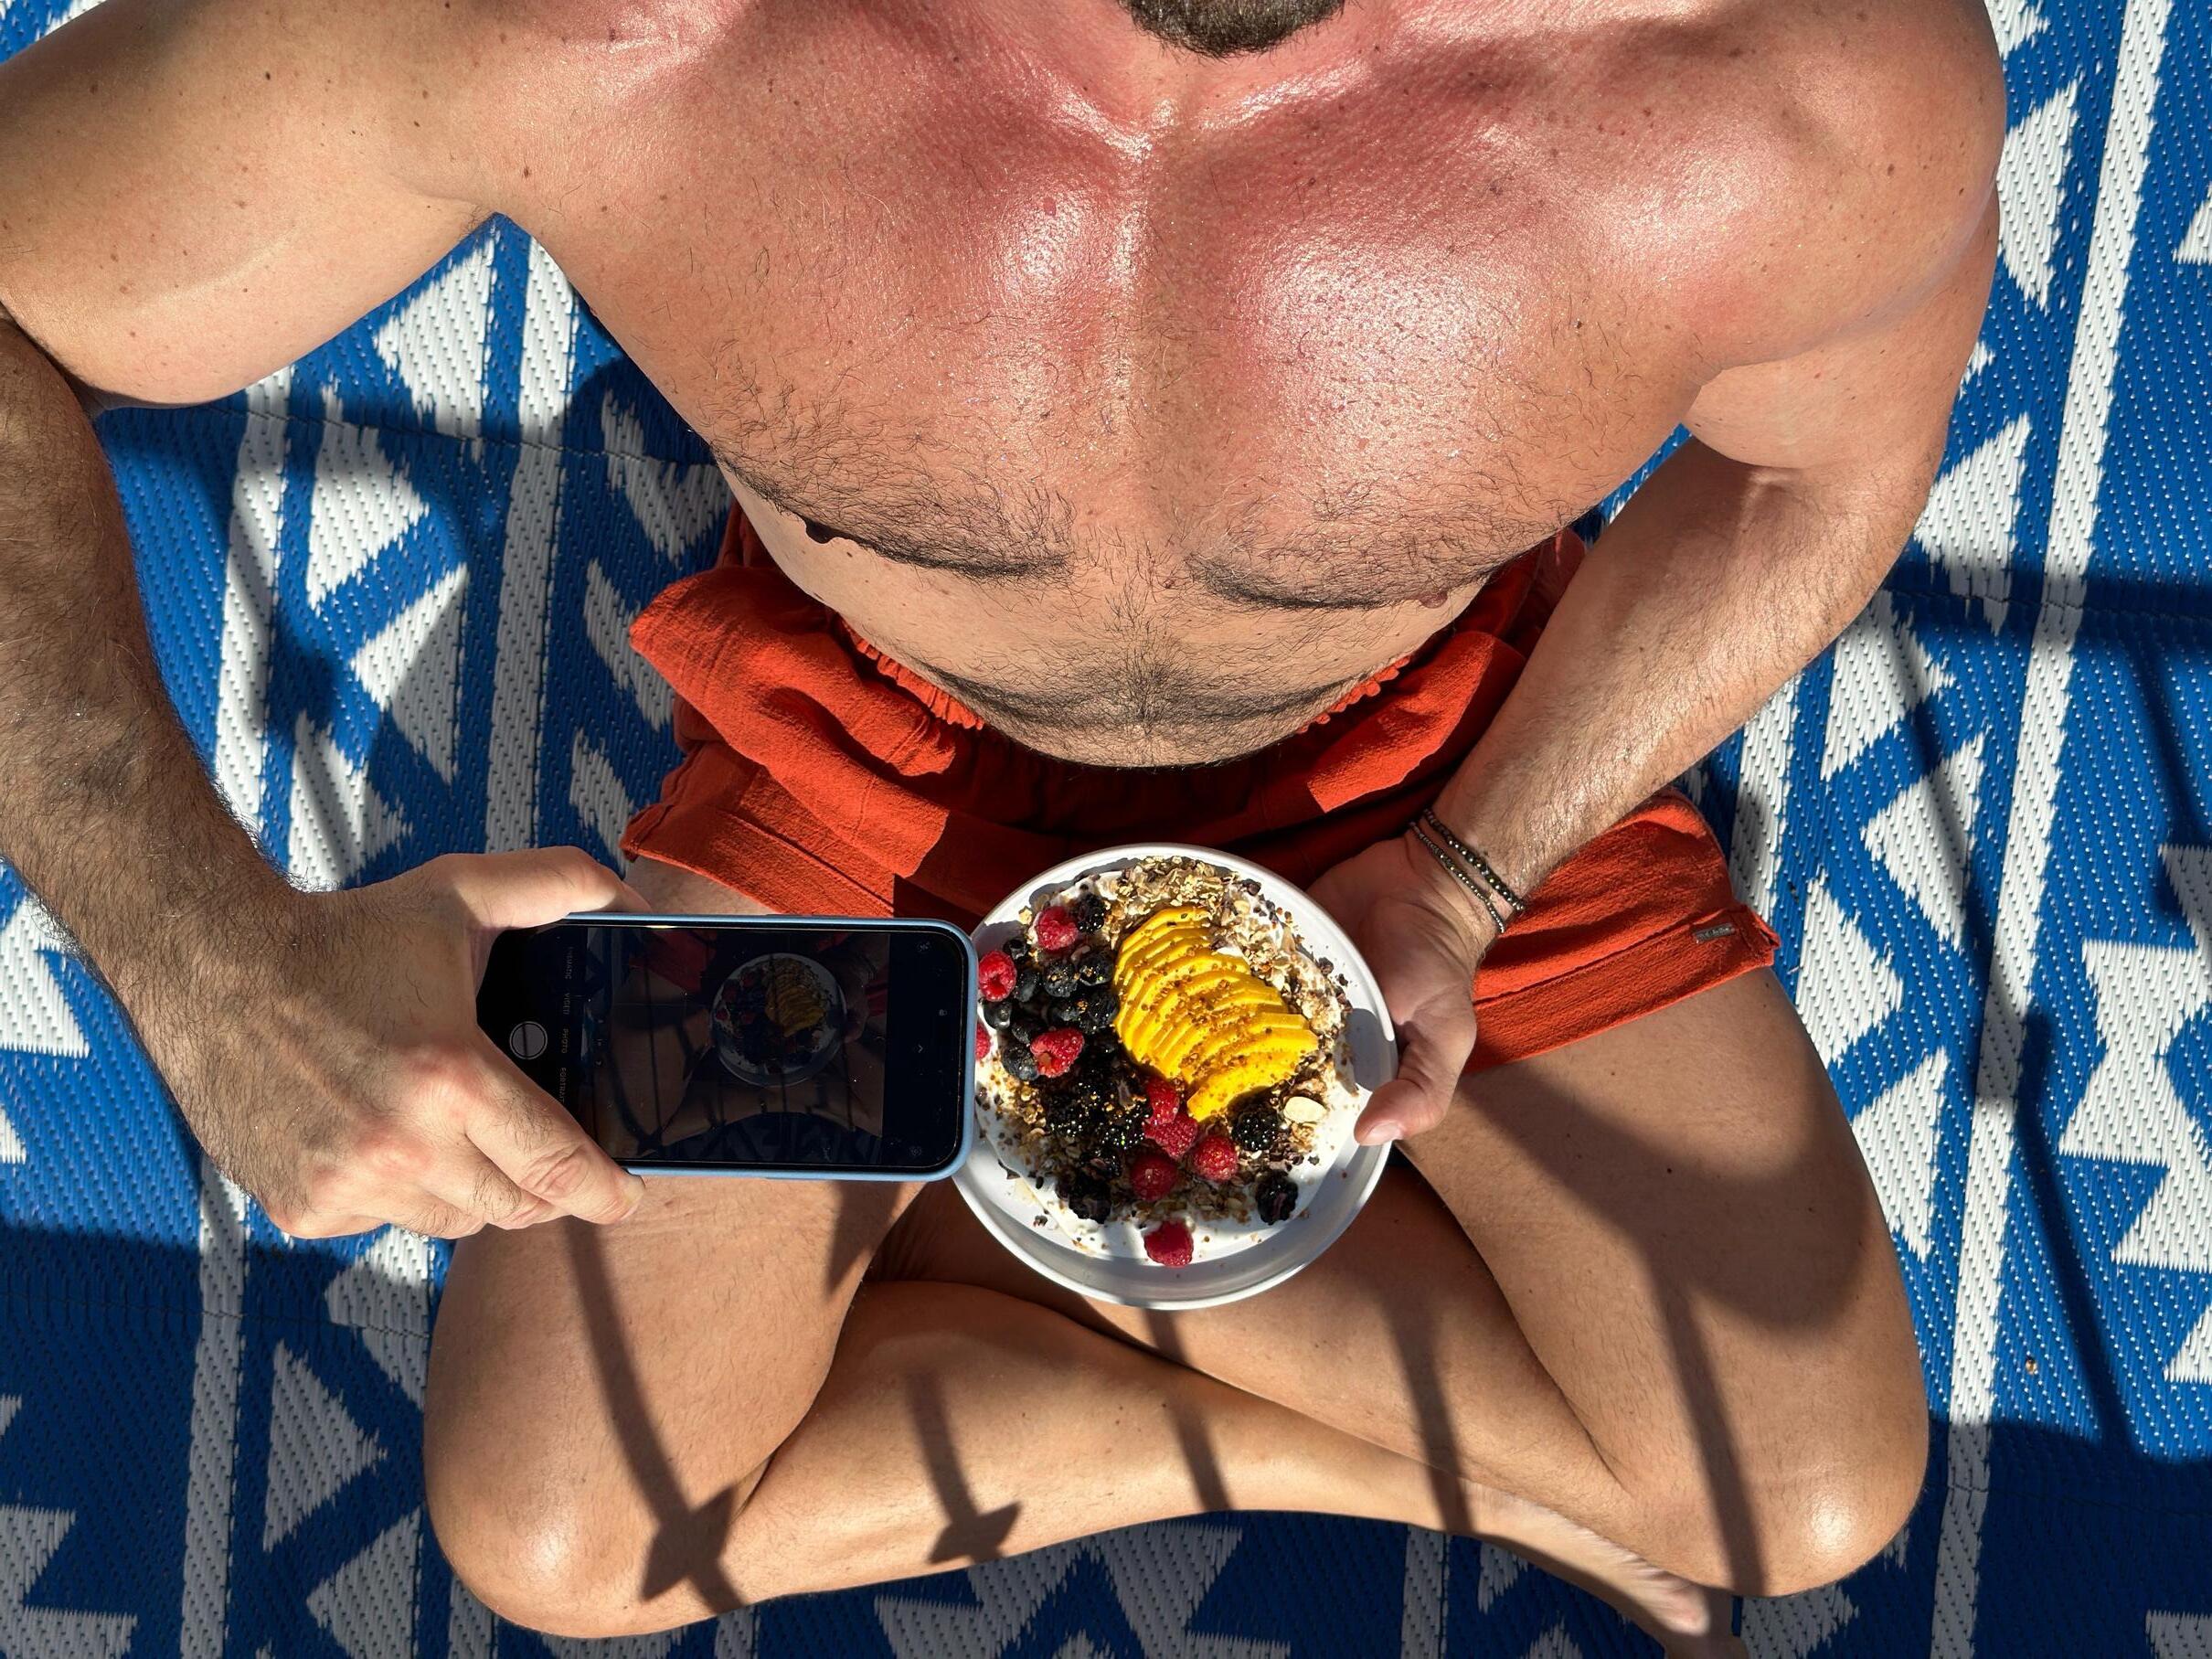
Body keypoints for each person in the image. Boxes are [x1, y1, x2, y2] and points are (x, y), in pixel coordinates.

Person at [0, 0, 2003, 1650]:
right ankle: (1200, 1294)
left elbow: (1807, 481)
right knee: (567, 1534)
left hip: (1434, 767)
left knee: (1800, 1498)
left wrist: (1473, 873)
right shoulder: (603, 30)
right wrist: (213, 964)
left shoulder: (1771, 70)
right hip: (867, 769)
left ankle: (1032, 1207)